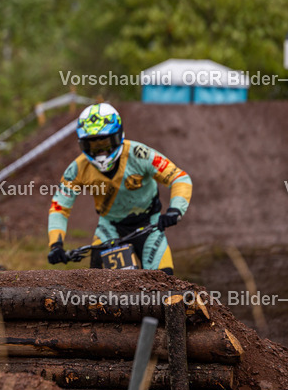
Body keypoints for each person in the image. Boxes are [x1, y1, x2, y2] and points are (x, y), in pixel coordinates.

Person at [46, 103, 193, 274]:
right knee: (98, 288)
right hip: (110, 228)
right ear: (82, 145)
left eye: (105, 143)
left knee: (164, 284)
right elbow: (60, 206)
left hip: (150, 225)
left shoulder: (140, 155)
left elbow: (179, 178)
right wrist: (56, 245)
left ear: (118, 136)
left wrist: (176, 210)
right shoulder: (77, 169)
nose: (100, 151)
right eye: (93, 145)